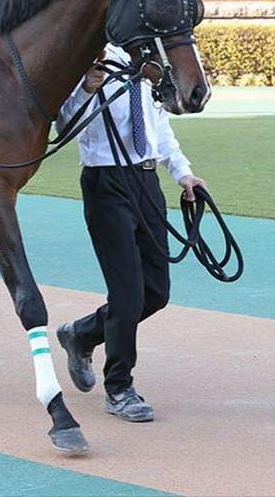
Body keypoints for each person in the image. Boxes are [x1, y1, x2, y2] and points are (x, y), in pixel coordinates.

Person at [55, 44, 206, 423]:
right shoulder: (89, 58)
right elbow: (67, 125)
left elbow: (160, 127)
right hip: (106, 183)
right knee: (127, 294)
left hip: (147, 181)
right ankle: (119, 387)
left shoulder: (148, 61)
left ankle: (83, 334)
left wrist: (183, 173)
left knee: (155, 293)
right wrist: (87, 89)